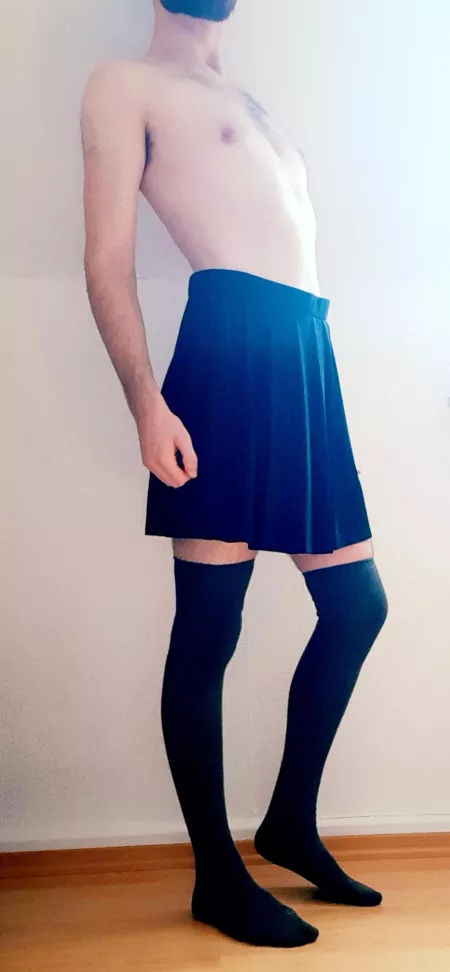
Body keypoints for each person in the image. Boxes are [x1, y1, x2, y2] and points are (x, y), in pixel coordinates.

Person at [81, 0, 388, 950]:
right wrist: (146, 402)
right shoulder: (124, 84)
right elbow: (106, 260)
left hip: (305, 353)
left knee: (358, 606)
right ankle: (216, 876)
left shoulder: (252, 102)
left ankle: (289, 822)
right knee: (212, 625)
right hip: (226, 352)